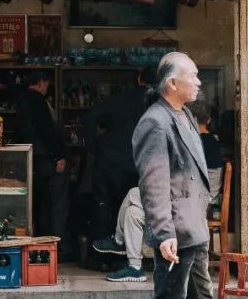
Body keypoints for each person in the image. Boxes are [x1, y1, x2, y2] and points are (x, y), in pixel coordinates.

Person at [133, 52, 244, 299]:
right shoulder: (155, 122)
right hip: (175, 231)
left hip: (194, 226)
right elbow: (153, 183)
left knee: (200, 297)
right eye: (193, 76)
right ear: (172, 83)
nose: (198, 82)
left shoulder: (185, 116)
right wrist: (162, 232)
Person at [96, 100, 224, 282]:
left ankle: (118, 241)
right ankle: (134, 267)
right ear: (209, 120)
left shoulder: (198, 142)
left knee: (134, 193)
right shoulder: (207, 142)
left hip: (191, 203)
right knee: (133, 212)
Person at [85, 66, 155, 241]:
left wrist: (93, 146)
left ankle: (100, 257)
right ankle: (131, 257)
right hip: (139, 166)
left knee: (103, 207)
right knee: (135, 209)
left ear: (139, 79)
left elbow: (91, 116)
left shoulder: (120, 98)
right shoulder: (159, 104)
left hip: (110, 161)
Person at [16, 72, 71, 259]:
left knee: (39, 204)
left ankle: (41, 245)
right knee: (57, 204)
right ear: (40, 83)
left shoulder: (22, 100)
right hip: (47, 159)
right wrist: (59, 156)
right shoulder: (38, 100)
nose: (46, 88)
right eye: (46, 84)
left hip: (31, 159)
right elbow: (46, 131)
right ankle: (58, 248)